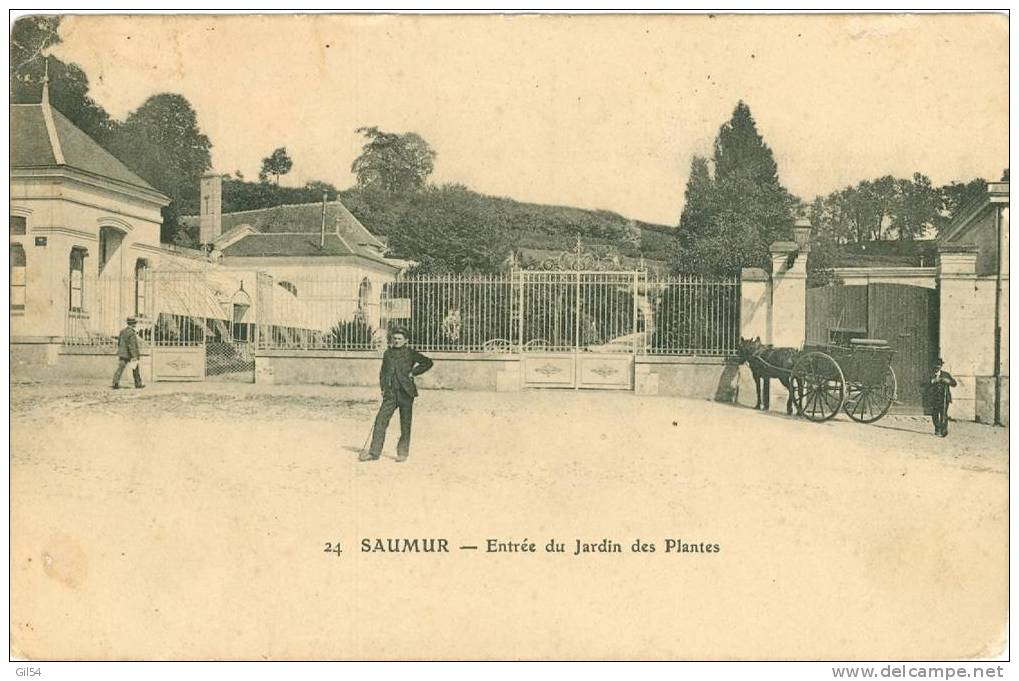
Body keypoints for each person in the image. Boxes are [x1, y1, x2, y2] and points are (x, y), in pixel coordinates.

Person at [361, 327, 433, 462]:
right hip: (390, 394)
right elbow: (383, 373)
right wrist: (383, 388)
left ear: (406, 340)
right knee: (380, 421)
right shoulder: (388, 353)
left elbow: (428, 362)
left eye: (400, 339)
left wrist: (413, 372)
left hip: (406, 393)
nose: (396, 341)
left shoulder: (411, 353)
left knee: (405, 424)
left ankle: (402, 453)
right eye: (394, 338)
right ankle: (374, 452)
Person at [925, 358, 957, 437]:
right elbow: (923, 383)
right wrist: (933, 381)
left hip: (944, 398)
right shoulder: (929, 374)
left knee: (944, 414)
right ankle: (937, 428)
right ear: (933, 366)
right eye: (935, 366)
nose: (937, 367)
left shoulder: (946, 374)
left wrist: (948, 381)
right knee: (935, 414)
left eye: (939, 366)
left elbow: (954, 383)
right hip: (934, 398)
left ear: (941, 366)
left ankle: (944, 430)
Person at [112, 316, 144, 389]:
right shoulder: (131, 333)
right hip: (129, 354)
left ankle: (115, 383)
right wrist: (134, 356)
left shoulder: (122, 331)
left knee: (120, 368)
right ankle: (138, 384)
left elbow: (119, 342)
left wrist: (121, 350)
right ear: (133, 324)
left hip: (122, 353)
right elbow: (131, 345)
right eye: (135, 323)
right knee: (135, 369)